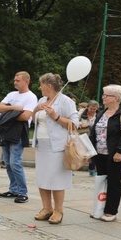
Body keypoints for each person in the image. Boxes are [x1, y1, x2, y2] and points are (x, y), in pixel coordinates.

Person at [31, 73, 79, 225]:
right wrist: (35, 110)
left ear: (49, 86)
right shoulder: (42, 100)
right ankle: (46, 208)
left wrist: (56, 116)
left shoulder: (65, 101)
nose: (40, 88)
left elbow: (75, 124)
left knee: (56, 179)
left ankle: (58, 210)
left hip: (57, 146)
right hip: (41, 145)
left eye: (41, 85)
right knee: (42, 178)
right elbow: (35, 121)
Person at [89, 85, 121, 222]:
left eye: (106, 95)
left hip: (115, 155)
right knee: (101, 181)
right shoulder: (101, 113)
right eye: (103, 94)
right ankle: (99, 208)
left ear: (116, 98)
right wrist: (91, 153)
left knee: (114, 182)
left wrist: (120, 151)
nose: (103, 97)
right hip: (100, 153)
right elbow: (94, 134)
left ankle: (111, 211)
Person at [0, 71, 38, 204]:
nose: (15, 82)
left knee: (15, 162)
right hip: (7, 131)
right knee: (7, 162)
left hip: (19, 132)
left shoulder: (31, 97)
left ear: (26, 81)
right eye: (14, 80)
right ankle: (13, 189)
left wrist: (6, 114)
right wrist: (14, 108)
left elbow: (26, 116)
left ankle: (22, 192)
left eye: (18, 80)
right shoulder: (11, 95)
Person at [78, 100, 99, 176]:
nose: (92, 110)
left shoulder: (99, 114)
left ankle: (92, 169)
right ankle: (73, 168)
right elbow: (74, 121)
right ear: (87, 107)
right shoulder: (81, 113)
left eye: (94, 109)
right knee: (79, 152)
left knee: (93, 152)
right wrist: (81, 125)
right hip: (82, 134)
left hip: (93, 135)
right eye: (91, 109)